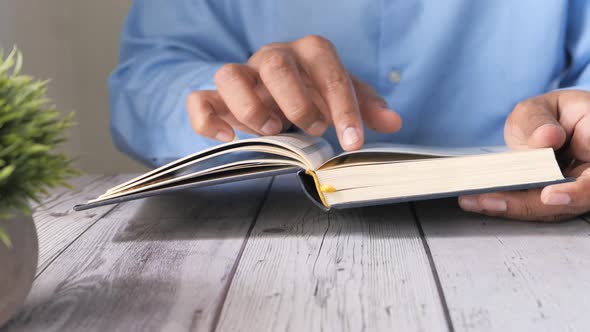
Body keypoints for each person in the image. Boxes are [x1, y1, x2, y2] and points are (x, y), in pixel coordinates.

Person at [108, 1, 590, 222]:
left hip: (529, 226)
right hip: (260, 228)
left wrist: (580, 120)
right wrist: (236, 97)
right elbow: (146, 77)